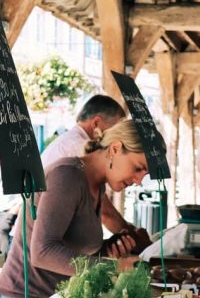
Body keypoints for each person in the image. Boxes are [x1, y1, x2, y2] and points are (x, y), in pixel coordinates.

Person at [0, 120, 148, 298]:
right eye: (138, 169)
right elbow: (43, 252)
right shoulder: (67, 175)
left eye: (144, 175)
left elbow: (73, 250)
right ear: (115, 149)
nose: (139, 181)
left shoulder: (96, 185)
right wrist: (114, 267)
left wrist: (108, 250)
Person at [41, 94, 135, 237]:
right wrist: (132, 235)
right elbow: (105, 213)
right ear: (96, 123)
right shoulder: (78, 149)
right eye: (116, 129)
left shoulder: (71, 141)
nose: (118, 136)